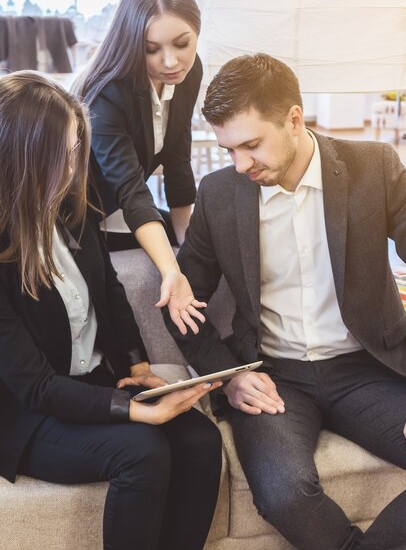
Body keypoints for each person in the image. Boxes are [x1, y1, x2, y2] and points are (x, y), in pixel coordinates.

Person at [165, 53, 406, 550]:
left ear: (295, 119)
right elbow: (184, 303)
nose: (240, 164)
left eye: (252, 145)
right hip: (275, 379)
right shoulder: (219, 194)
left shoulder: (375, 168)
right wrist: (230, 375)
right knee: (284, 494)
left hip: (368, 369)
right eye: (229, 149)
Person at [0, 71, 222, 550]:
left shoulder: (75, 210)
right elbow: (35, 387)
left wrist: (139, 367)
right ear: (22, 154)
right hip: (26, 413)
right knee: (142, 452)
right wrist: (136, 414)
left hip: (94, 381)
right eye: (62, 151)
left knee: (203, 441)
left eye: (77, 146)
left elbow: (112, 296)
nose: (75, 162)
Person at [73, 0, 204, 336]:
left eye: (182, 43)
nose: (170, 62)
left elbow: (179, 161)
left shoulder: (188, 75)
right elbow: (131, 190)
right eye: (152, 49)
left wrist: (186, 245)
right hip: (85, 218)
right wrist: (171, 271)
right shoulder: (107, 93)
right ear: (132, 43)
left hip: (126, 209)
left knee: (207, 242)